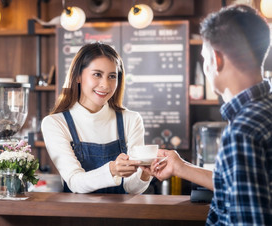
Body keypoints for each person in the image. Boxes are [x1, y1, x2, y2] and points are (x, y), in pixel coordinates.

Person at [145, 4, 272, 225]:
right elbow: (244, 184)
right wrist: (181, 167)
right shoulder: (265, 109)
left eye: (204, 59)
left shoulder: (242, 131)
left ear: (216, 59)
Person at [41, 42, 151, 194]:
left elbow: (131, 188)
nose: (105, 85)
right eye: (97, 74)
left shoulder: (131, 120)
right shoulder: (55, 123)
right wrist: (112, 170)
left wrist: (145, 172)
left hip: (121, 216)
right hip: (77, 216)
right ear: (78, 76)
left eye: (112, 76)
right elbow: (75, 182)